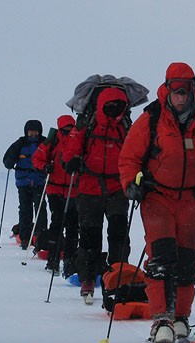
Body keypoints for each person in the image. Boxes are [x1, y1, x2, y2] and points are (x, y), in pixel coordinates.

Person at [119, 62, 195, 343]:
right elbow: (129, 158)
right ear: (168, 90)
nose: (181, 98)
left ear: (193, 91)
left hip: (192, 201)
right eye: (176, 92)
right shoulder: (151, 119)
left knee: (187, 262)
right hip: (157, 198)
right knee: (160, 259)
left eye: (185, 92)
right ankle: (162, 319)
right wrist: (130, 184)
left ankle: (181, 317)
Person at [63, 87, 132, 304]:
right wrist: (71, 159)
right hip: (89, 188)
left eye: (118, 107)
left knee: (118, 236)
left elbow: (136, 151)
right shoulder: (86, 124)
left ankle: (118, 276)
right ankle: (88, 278)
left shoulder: (125, 127)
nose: (114, 111)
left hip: (117, 188)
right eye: (110, 107)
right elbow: (71, 148)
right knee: (90, 237)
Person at [32, 115, 80, 276]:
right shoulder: (51, 142)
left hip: (74, 190)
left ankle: (70, 261)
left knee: (73, 227)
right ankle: (53, 259)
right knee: (57, 224)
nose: (68, 131)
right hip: (55, 189)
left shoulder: (78, 140)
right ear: (59, 128)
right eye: (65, 129)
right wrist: (45, 167)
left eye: (70, 128)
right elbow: (37, 158)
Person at [3, 120, 48, 250]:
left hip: (39, 182)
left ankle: (41, 237)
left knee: (40, 209)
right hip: (23, 182)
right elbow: (7, 159)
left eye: (36, 131)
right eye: (30, 131)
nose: (33, 133)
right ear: (26, 132)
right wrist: (10, 162)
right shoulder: (20, 144)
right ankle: (25, 238)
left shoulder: (44, 143)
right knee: (25, 209)